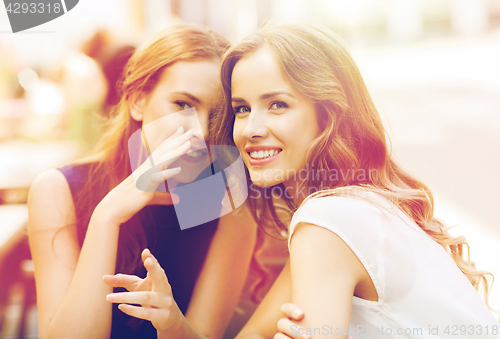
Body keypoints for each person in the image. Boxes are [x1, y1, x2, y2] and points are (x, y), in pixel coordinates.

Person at [210, 23, 498, 338]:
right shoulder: (351, 211)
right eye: (242, 109)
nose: (251, 128)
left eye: (278, 104)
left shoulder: (326, 223)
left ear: (329, 113)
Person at [27, 24, 257, 339]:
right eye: (183, 105)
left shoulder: (230, 204)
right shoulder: (57, 191)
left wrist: (173, 324)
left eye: (218, 116)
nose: (202, 131)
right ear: (137, 101)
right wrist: (106, 217)